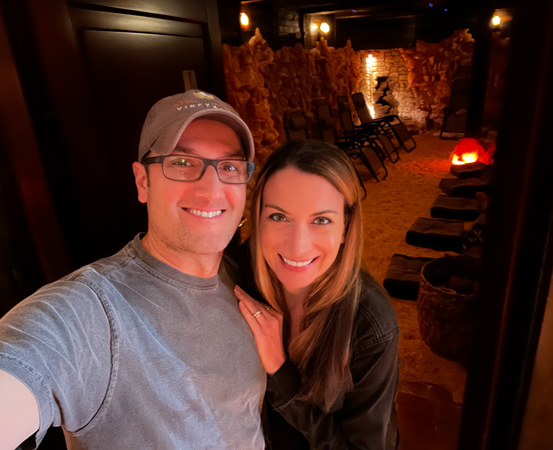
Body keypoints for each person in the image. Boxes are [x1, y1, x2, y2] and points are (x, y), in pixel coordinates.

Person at [0, 90, 265, 450]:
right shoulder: (93, 312)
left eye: (230, 167)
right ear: (143, 181)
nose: (211, 189)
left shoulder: (242, 280)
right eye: (182, 163)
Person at [234, 140, 400, 450]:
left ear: (345, 226)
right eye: (278, 217)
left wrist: (281, 372)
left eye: (321, 220)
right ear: (257, 217)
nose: (297, 247)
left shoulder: (370, 324)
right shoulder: (244, 270)